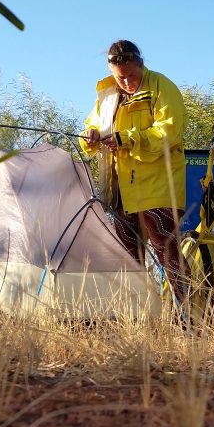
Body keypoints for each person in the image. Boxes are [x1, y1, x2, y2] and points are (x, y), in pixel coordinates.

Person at [79, 40, 190, 301]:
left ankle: (191, 315)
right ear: (111, 72)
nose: (127, 82)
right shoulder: (106, 96)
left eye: (132, 75)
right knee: (129, 258)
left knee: (167, 252)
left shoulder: (162, 87)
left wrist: (127, 138)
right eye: (121, 78)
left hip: (159, 186)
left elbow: (170, 133)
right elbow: (89, 131)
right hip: (120, 190)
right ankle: (142, 318)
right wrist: (90, 136)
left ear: (141, 65)